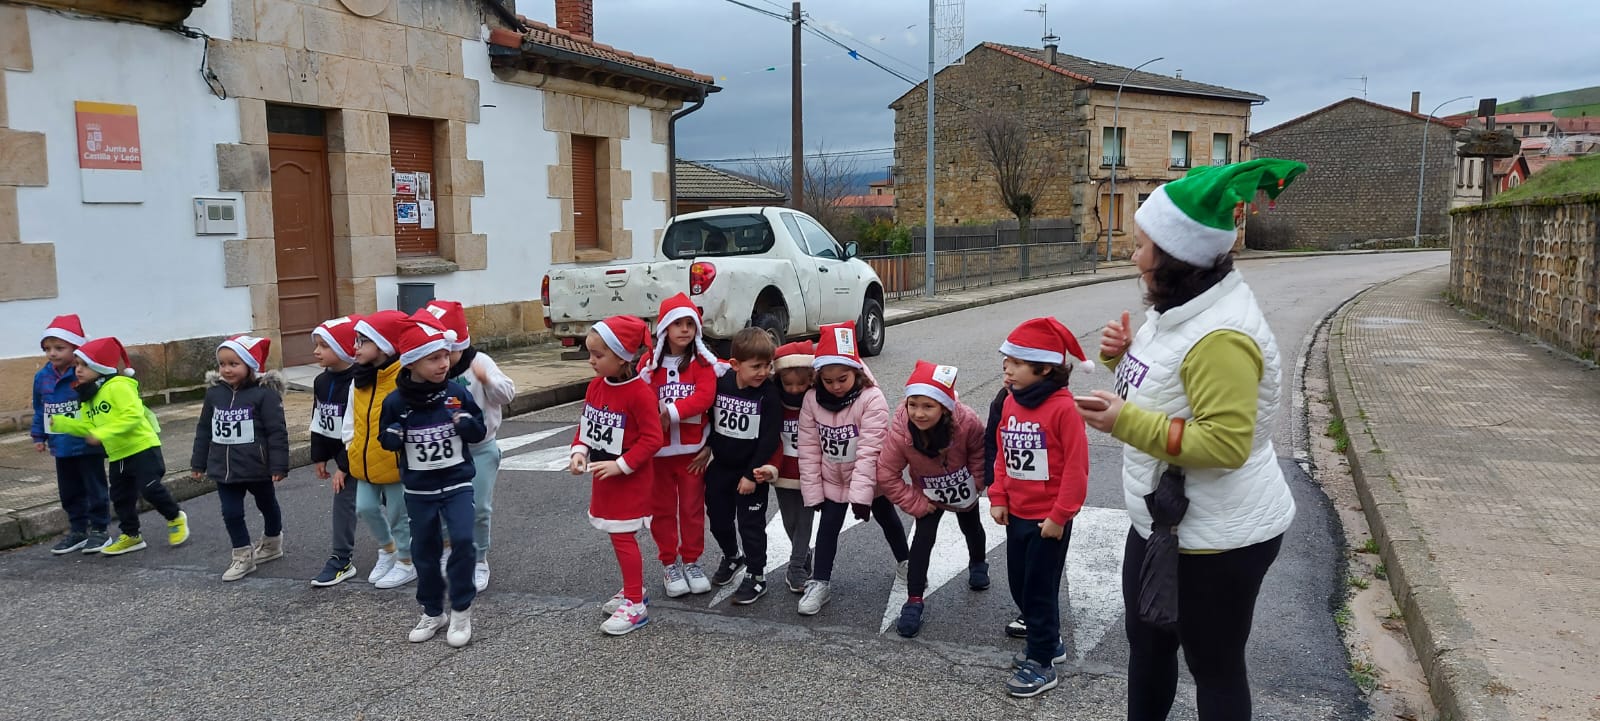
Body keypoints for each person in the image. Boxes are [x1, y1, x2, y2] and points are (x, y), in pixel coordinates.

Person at [1078, 158, 1305, 721]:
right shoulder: (1178, 310)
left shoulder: (1221, 335)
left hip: (1219, 539)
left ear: (1174, 256)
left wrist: (1124, 422)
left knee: (1214, 666)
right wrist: (1119, 355)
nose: (1133, 257)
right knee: (1148, 647)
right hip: (1162, 523)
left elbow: (1227, 443)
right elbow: (1165, 393)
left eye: (1139, 246)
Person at [989, 317, 1093, 698]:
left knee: (1038, 588)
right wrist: (998, 496)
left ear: (1044, 367)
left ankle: (1042, 661)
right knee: (1019, 581)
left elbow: (1077, 469)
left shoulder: (1063, 409)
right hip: (1016, 512)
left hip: (1048, 519)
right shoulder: (1011, 402)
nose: (1007, 369)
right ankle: (1049, 641)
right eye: (1006, 362)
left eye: (1016, 362)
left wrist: (1059, 516)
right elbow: (1002, 453)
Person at [378, 312, 486, 648]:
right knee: (424, 550)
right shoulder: (395, 401)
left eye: (444, 356)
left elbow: (478, 430)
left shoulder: (455, 392)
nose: (443, 363)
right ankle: (432, 611)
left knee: (464, 540)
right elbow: (385, 437)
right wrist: (393, 437)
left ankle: (461, 610)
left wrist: (466, 424)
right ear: (410, 364)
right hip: (418, 489)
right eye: (434, 358)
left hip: (456, 484)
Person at [795, 321, 907, 616]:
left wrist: (861, 495)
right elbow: (807, 448)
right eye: (827, 380)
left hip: (870, 479)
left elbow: (870, 449)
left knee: (888, 520)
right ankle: (820, 582)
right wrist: (813, 491)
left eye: (842, 379)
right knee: (827, 529)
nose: (834, 386)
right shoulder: (811, 399)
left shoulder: (872, 399)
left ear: (856, 372)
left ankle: (907, 564)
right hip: (834, 477)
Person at [877, 361, 991, 638]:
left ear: (944, 406)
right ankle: (914, 599)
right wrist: (914, 502)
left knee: (972, 527)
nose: (918, 413)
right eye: (913, 404)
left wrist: (976, 483)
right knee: (922, 540)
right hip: (927, 493)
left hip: (962, 487)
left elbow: (979, 452)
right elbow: (886, 472)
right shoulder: (901, 432)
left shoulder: (968, 422)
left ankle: (978, 563)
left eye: (928, 406)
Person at [49, 337, 190, 555]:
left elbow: (132, 416)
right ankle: (131, 536)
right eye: (76, 364)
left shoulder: (119, 386)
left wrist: (102, 433)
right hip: (118, 453)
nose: (78, 370)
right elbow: (89, 426)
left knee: (150, 487)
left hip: (142, 446)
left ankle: (175, 517)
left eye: (84, 365)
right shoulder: (88, 396)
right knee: (121, 497)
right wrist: (63, 423)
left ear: (100, 366)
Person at [569, 315, 664, 636]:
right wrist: (579, 452)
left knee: (623, 536)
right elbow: (586, 425)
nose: (591, 361)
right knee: (616, 535)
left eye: (598, 355)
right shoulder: (596, 386)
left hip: (629, 479)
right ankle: (632, 589)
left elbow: (653, 439)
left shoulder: (640, 393)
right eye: (590, 354)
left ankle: (635, 603)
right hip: (604, 477)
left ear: (622, 356)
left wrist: (621, 465)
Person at [424, 300, 516, 592]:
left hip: (480, 448)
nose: (442, 359)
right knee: (442, 505)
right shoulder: (431, 370)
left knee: (478, 508)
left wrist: (486, 380)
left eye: (447, 352)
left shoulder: (481, 362)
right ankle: (449, 547)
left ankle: (478, 559)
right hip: (445, 449)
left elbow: (507, 394)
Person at [190, 335, 289, 581]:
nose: (226, 369)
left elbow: (277, 431)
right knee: (231, 512)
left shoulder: (264, 395)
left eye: (234, 364)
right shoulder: (215, 394)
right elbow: (204, 429)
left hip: (257, 466)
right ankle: (243, 555)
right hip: (223, 468)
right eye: (222, 364)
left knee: (267, 505)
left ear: (250, 365)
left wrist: (278, 465)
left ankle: (272, 542)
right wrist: (198, 462)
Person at [639, 293, 719, 597]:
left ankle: (692, 560)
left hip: (691, 453)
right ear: (665, 329)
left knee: (691, 509)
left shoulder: (701, 363)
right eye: (677, 324)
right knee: (662, 510)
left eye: (690, 323)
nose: (684, 329)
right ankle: (669, 563)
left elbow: (705, 396)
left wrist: (670, 412)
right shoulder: (649, 364)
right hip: (658, 455)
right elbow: (640, 396)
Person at [702, 328, 782, 604]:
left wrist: (751, 474)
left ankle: (757, 576)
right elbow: (711, 418)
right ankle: (732, 555)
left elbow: (769, 439)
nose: (763, 372)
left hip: (752, 471)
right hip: (721, 466)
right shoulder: (721, 383)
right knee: (718, 518)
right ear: (735, 365)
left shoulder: (769, 395)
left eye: (768, 365)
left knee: (751, 525)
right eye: (756, 366)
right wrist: (707, 446)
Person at [341, 310, 415, 589]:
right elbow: (350, 418)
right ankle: (388, 549)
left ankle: (407, 561)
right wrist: (350, 445)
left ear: (384, 345)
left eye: (362, 342)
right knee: (366, 507)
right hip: (364, 460)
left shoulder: (403, 379)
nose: (355, 348)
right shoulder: (358, 380)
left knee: (399, 515)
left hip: (395, 463)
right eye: (355, 341)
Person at [32, 315, 111, 555]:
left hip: (87, 443)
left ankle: (99, 529)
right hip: (61, 444)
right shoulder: (42, 377)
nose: (52, 354)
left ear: (76, 348)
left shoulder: (84, 374)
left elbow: (104, 403)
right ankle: (77, 530)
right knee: (69, 490)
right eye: (47, 349)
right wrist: (39, 435)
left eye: (59, 348)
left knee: (94, 487)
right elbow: (40, 408)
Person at [308, 316, 362, 587]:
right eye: (316, 345)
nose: (316, 351)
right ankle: (341, 559)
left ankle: (410, 551)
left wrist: (343, 465)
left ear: (342, 347)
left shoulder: (358, 381)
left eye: (323, 345)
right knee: (345, 502)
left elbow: (357, 426)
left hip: (361, 455)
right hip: (344, 458)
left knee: (389, 505)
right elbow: (320, 420)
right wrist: (319, 455)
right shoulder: (320, 381)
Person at [771, 340, 817, 593]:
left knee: (805, 519)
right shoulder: (775, 401)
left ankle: (796, 566)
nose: (796, 389)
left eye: (801, 384)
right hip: (782, 471)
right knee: (790, 520)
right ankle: (803, 553)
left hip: (810, 472)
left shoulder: (817, 400)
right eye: (789, 384)